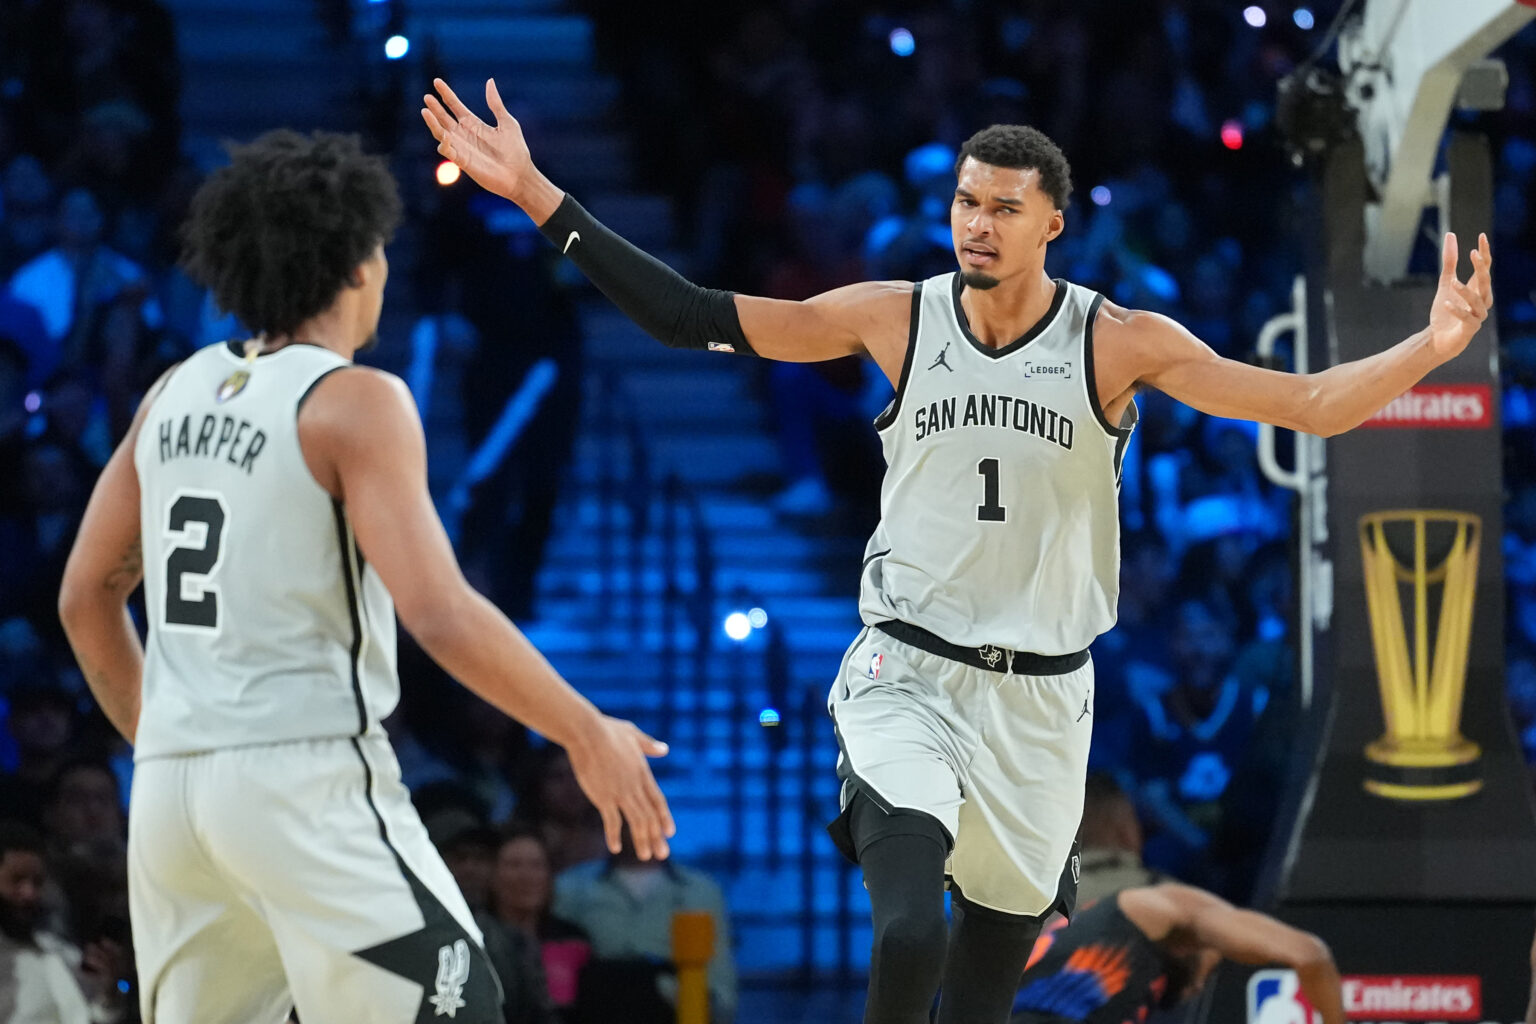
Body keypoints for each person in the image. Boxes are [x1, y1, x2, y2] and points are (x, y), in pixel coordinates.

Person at [422, 80, 1494, 1024]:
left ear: (1052, 227)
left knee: (983, 997)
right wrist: (535, 192)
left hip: (1042, 707)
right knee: (908, 933)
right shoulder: (896, 316)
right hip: (908, 672)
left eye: (1003, 209)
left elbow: (1307, 403)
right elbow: (689, 315)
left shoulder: (1119, 341)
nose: (976, 225)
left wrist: (1433, 346)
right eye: (966, 203)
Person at [56, 129, 675, 1024]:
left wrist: (170, 738)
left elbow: (85, 598)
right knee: (460, 1008)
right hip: (302, 781)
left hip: (172, 799)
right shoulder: (356, 400)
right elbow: (440, 610)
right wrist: (584, 730)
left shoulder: (173, 391)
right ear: (354, 263)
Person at [1011, 883, 1342, 1023]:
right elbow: (1309, 953)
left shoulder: (1138, 964)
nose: (1199, 988)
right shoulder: (1162, 907)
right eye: (1210, 971)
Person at [489, 825, 592, 1022]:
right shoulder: (477, 940)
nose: (526, 876)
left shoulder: (574, 939)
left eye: (536, 865)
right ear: (493, 876)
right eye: (513, 865)